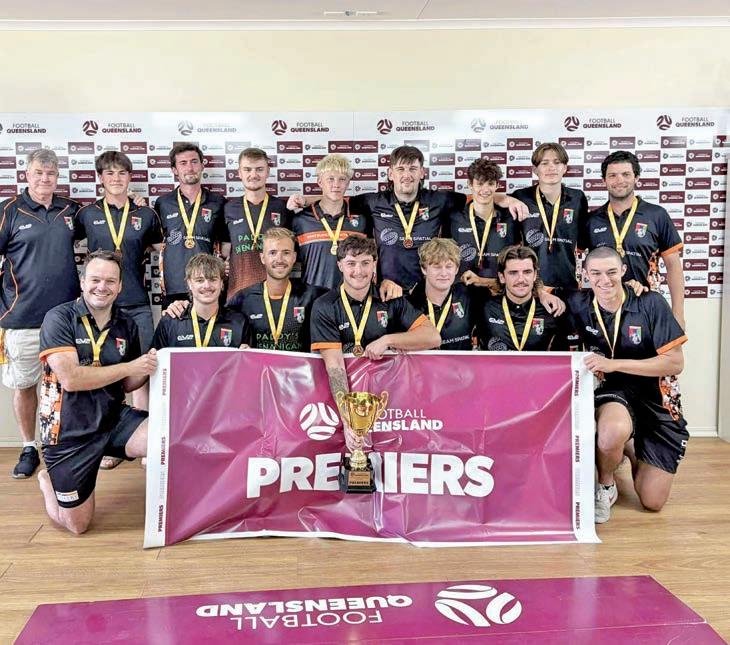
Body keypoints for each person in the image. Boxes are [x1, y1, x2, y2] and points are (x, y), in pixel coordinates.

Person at [290, 145, 527, 293]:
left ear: (422, 173)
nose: (407, 175)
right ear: (390, 174)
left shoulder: (440, 200)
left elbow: (479, 195)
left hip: (428, 291)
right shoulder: (373, 201)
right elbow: (335, 196)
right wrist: (306, 200)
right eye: (401, 169)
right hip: (387, 291)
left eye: (413, 169)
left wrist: (506, 199)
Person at [36, 250, 157, 534]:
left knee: (168, 437)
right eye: (95, 279)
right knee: (77, 526)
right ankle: (48, 481)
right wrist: (129, 366)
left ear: (120, 286)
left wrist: (148, 366)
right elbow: (71, 379)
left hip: (113, 419)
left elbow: (127, 384)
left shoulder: (126, 324)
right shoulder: (59, 318)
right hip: (68, 433)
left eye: (110, 281)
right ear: (82, 282)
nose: (102, 287)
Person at [566, 246, 688, 524]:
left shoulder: (650, 302)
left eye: (611, 272)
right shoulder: (577, 303)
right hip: (613, 392)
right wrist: (543, 292)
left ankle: (630, 448)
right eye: (596, 273)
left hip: (654, 398)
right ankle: (606, 484)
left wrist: (613, 363)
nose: (604, 280)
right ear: (585, 275)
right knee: (612, 431)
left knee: (652, 502)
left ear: (623, 271)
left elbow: (675, 363)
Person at [310, 236, 441, 449]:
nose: (358, 271)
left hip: (390, 402)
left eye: (365, 263)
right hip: (342, 401)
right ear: (340, 265)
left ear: (374, 264)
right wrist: (348, 419)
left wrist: (388, 339)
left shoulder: (390, 299)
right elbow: (335, 366)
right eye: (351, 263)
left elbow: (432, 337)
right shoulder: (325, 306)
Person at [0, 149, 81, 479]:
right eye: (38, 173)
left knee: (69, 385)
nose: (44, 179)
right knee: (24, 386)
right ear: (26, 174)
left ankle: (61, 445)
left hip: (66, 318)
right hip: (21, 318)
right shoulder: (9, 210)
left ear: (57, 176)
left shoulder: (70, 210)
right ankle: (28, 447)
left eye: (50, 173)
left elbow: (104, 228)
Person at [76, 151, 163, 435]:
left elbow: (163, 250)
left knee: (142, 370)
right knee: (102, 368)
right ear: (100, 178)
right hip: (98, 307)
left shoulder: (146, 214)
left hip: (136, 303)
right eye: (110, 173)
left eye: (122, 173)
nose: (116, 178)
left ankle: (142, 438)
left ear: (130, 177)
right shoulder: (86, 214)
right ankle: (103, 437)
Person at [585, 150, 684, 329]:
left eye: (626, 174)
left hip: (647, 305)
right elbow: (579, 266)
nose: (619, 180)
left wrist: (678, 314)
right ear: (604, 180)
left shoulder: (657, 215)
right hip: (604, 310)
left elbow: (673, 266)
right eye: (612, 175)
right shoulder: (592, 220)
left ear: (636, 177)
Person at [154, 143, 227, 308]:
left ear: (202, 165)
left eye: (194, 162)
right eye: (183, 163)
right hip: (174, 286)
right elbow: (155, 243)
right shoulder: (163, 203)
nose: (190, 168)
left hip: (208, 285)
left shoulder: (218, 202)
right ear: (174, 170)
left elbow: (226, 246)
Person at [228, 228, 324, 352]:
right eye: (272, 253)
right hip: (258, 365)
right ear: (262, 258)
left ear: (294, 257)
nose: (279, 260)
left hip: (297, 365)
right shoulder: (242, 299)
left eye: (286, 253)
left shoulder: (313, 296)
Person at [511, 142, 589, 293]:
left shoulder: (577, 198)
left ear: (565, 168)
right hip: (530, 287)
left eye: (557, 162)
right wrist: (507, 200)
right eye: (544, 163)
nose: (551, 167)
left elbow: (583, 243)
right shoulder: (521, 197)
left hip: (568, 284)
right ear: (535, 170)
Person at [220, 148, 293, 301]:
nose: (253, 175)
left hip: (274, 294)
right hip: (238, 294)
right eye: (247, 169)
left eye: (259, 169)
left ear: (268, 172)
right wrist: (223, 263)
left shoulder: (282, 208)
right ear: (239, 173)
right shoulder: (228, 208)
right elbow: (225, 251)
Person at [291, 154, 372, 291]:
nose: (336, 185)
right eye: (330, 179)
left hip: (350, 297)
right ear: (319, 182)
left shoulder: (362, 220)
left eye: (342, 179)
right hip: (312, 297)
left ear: (348, 183)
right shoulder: (300, 220)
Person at [477, 246, 575, 352]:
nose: (521, 279)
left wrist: (542, 293)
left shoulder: (551, 310)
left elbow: (562, 356)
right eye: (513, 273)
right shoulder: (484, 307)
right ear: (502, 277)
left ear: (535, 275)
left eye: (527, 272)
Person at [448, 159, 520, 291]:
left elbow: (517, 260)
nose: (485, 190)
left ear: (497, 185)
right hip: (462, 294)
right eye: (480, 184)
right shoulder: (454, 218)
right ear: (470, 184)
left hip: (499, 293)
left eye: (490, 184)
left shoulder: (510, 218)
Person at [152, 254, 248, 350]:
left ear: (221, 283)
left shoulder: (239, 322)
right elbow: (155, 357)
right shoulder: (171, 321)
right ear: (189, 283)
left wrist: (249, 355)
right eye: (200, 280)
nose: (207, 286)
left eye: (213, 279)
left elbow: (250, 357)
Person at [407, 239, 476, 351]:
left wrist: (484, 281)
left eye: (449, 266)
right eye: (437, 267)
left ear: (456, 269)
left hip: (459, 362)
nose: (444, 273)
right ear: (424, 269)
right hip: (421, 363)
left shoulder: (469, 296)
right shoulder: (409, 303)